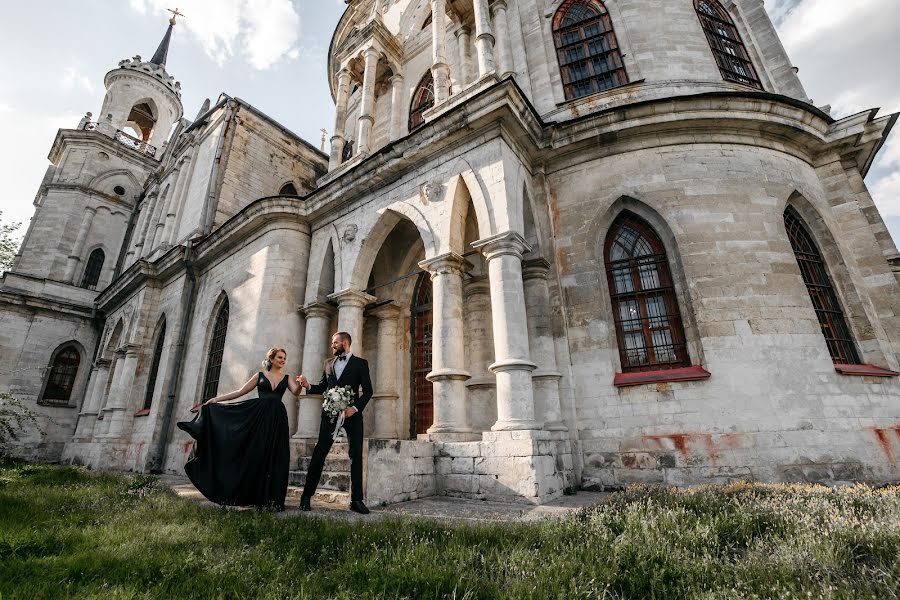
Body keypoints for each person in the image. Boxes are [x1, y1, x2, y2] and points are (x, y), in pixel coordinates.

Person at [177, 348, 303, 511]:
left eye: (284, 358)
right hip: (259, 418)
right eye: (280, 357)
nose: (283, 360)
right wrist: (216, 399)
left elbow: (296, 392)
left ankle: (272, 499)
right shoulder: (259, 376)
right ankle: (253, 496)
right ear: (271, 359)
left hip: (278, 419)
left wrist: (301, 384)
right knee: (257, 454)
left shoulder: (287, 378)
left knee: (276, 455)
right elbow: (240, 392)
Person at [297, 331, 373, 514]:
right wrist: (308, 386)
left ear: (345, 343)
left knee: (355, 455)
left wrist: (353, 409)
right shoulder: (328, 364)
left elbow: (368, 391)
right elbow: (323, 387)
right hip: (329, 415)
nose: (332, 345)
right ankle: (306, 497)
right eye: (332, 342)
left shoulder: (361, 364)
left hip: (352, 416)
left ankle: (356, 500)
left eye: (335, 343)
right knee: (319, 452)